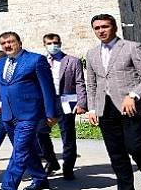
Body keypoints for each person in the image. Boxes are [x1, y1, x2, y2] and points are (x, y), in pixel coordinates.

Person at [85, 14, 141, 190]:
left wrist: (134, 95)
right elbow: (91, 83)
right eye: (97, 28)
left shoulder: (132, 48)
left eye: (105, 26)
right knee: (116, 153)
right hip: (105, 109)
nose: (101, 31)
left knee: (136, 148)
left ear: (114, 27)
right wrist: (91, 109)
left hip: (131, 108)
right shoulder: (91, 54)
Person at [0, 32, 57, 190]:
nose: (7, 45)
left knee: (20, 151)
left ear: (19, 42)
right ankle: (40, 179)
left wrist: (51, 112)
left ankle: (8, 186)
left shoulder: (35, 60)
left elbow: (47, 88)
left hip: (29, 114)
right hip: (8, 116)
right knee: (27, 149)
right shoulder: (0, 63)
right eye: (4, 43)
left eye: (11, 42)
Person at [35, 33, 87, 180]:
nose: (53, 45)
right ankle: (51, 162)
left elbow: (79, 82)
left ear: (60, 43)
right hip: (46, 102)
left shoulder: (72, 61)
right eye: (49, 43)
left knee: (68, 136)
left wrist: (82, 102)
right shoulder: (39, 61)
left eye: (55, 42)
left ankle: (68, 168)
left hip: (66, 100)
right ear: (44, 44)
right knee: (40, 132)